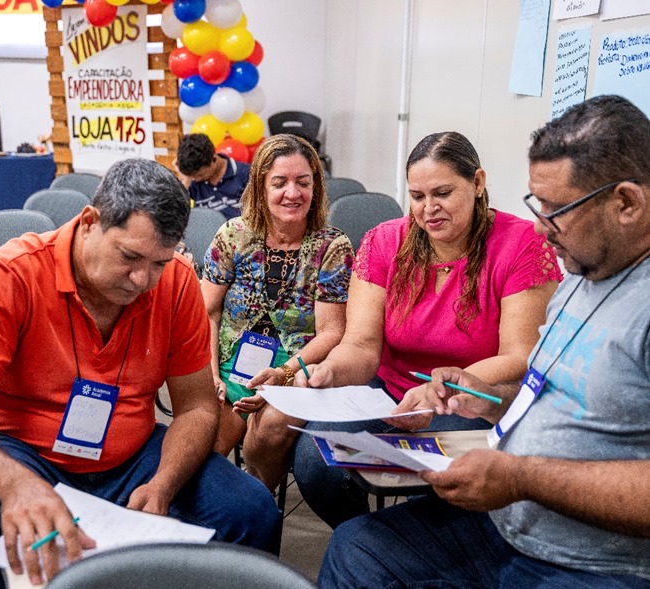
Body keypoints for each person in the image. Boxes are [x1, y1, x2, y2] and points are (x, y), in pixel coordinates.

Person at [319, 94, 650, 589]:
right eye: (537, 205)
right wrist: (489, 399)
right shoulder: (585, 277)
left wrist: (520, 477)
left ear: (626, 203)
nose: (542, 226)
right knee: (356, 549)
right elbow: (544, 395)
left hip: (593, 562)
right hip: (506, 523)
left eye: (558, 210)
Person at [0, 158, 282, 588]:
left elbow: (198, 407)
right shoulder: (12, 275)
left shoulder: (176, 283)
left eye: (159, 262)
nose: (142, 279)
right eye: (129, 256)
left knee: (250, 509)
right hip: (25, 451)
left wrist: (164, 484)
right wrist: (16, 484)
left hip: (131, 455)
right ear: (90, 221)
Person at [293, 131, 562, 528]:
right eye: (417, 197)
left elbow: (519, 357)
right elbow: (361, 346)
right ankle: (369, 540)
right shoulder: (384, 242)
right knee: (315, 464)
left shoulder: (520, 244)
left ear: (478, 182)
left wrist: (442, 389)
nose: (428, 209)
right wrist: (331, 371)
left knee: (447, 476)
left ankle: (412, 551)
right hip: (388, 394)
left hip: (467, 399)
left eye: (442, 193)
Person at [200, 134, 353, 491]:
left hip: (297, 367)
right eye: (280, 183)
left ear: (315, 186)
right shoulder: (233, 236)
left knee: (264, 436)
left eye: (303, 182)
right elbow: (207, 311)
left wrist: (283, 373)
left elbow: (332, 332)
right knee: (202, 447)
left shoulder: (332, 246)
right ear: (260, 187)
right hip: (225, 363)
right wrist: (211, 377)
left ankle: (257, 508)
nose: (293, 193)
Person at [176, 132, 251, 220]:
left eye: (200, 175)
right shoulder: (191, 182)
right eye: (192, 176)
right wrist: (185, 182)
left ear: (214, 160)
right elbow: (174, 214)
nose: (196, 180)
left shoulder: (246, 174)